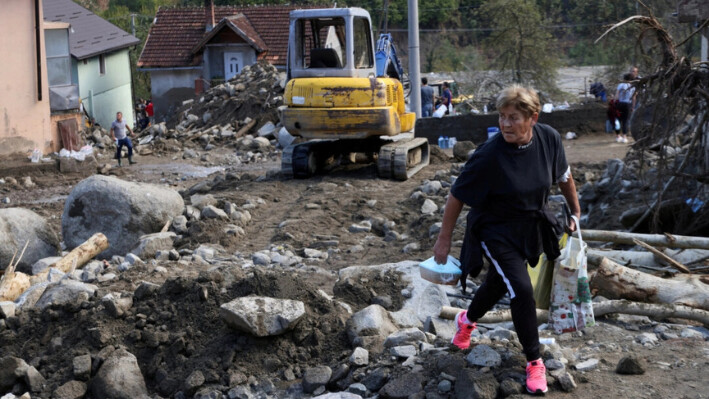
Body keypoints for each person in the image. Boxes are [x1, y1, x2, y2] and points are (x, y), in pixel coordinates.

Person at [432, 85, 580, 395]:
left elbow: (564, 176)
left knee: (500, 282)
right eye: (502, 117)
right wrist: (444, 240)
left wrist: (576, 211)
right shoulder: (489, 155)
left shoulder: (549, 139)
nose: (505, 124)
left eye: (513, 118)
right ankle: (534, 361)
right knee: (522, 288)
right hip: (495, 229)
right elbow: (457, 195)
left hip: (531, 226)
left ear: (533, 118)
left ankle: (466, 320)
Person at [615, 73, 635, 143]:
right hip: (628, 104)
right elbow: (634, 98)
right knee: (625, 120)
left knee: (618, 120)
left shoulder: (620, 85)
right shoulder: (633, 86)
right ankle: (624, 137)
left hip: (620, 104)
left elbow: (617, 95)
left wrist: (615, 102)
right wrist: (633, 106)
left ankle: (618, 136)